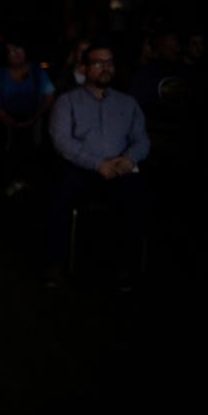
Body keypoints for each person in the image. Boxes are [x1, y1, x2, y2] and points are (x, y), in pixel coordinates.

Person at [46, 41, 151, 290]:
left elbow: (142, 139)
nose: (105, 68)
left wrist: (128, 159)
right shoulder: (67, 101)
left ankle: (129, 267)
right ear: (84, 67)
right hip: (82, 168)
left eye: (109, 62)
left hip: (119, 168)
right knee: (59, 197)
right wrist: (96, 163)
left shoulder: (127, 103)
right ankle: (55, 264)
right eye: (98, 63)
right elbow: (62, 140)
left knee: (139, 199)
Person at [0, 34, 56, 196]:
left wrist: (35, 117)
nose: (16, 54)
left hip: (32, 122)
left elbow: (49, 96)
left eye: (18, 49)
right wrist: (5, 118)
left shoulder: (37, 72)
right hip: (6, 124)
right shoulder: (0, 74)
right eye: (11, 51)